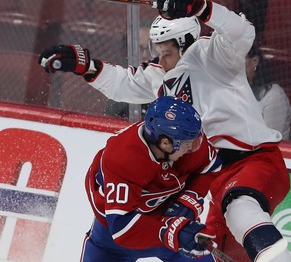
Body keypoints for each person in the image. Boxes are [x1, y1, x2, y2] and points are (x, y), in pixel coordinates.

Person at [39, 0, 291, 261]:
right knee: (223, 254)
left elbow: (242, 31)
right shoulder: (164, 76)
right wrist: (83, 66)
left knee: (241, 208)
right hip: (208, 174)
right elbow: (124, 83)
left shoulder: (216, 56)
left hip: (247, 160)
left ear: (184, 43)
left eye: (166, 51)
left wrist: (202, 8)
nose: (160, 58)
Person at [80, 96, 222, 262]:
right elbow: (122, 227)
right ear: (165, 143)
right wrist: (171, 233)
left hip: (170, 223)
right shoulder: (123, 159)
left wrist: (186, 204)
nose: (193, 148)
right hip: (115, 241)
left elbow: (211, 168)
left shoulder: (185, 140)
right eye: (188, 143)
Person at [245, 44, 291, 140]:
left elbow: (267, 142)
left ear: (254, 61)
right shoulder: (231, 92)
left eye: (237, 58)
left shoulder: (273, 96)